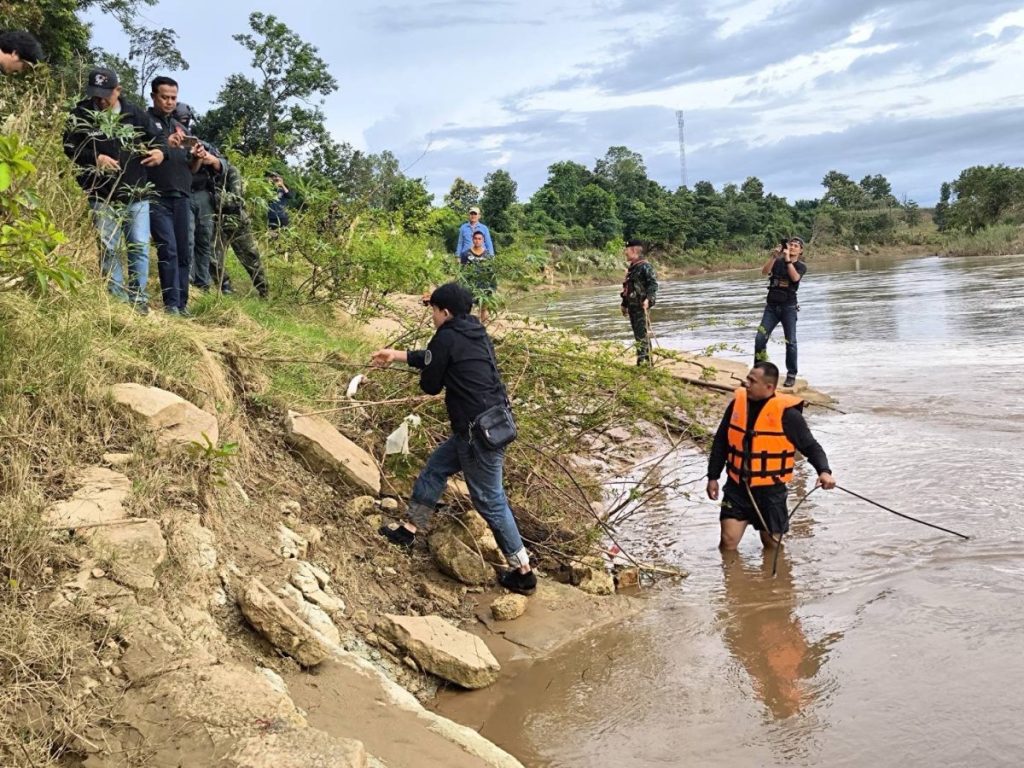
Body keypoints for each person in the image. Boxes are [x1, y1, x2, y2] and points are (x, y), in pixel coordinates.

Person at [371, 282, 536, 596]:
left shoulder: (446, 335)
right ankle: (409, 530)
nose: (432, 316)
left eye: (432, 310)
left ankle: (523, 571)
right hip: (489, 424)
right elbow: (437, 357)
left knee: (490, 501)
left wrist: (435, 373)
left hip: (476, 436)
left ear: (443, 311)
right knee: (435, 469)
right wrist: (396, 355)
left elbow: (431, 385)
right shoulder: (475, 330)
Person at [64, 67, 165, 314]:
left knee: (138, 247)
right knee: (109, 247)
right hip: (100, 193)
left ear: (118, 90)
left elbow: (159, 140)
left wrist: (161, 153)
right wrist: (95, 158)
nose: (100, 101)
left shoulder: (135, 114)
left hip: (136, 194)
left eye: (105, 96)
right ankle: (116, 300)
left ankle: (139, 301)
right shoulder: (81, 113)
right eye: (96, 96)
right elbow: (69, 147)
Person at [706, 362, 835, 550]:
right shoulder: (736, 405)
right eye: (747, 378)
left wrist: (824, 471)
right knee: (728, 542)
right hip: (737, 488)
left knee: (773, 545)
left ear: (769, 387)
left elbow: (811, 446)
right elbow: (721, 442)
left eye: (752, 380)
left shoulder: (788, 415)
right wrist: (713, 477)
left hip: (771, 492)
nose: (746, 383)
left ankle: (775, 578)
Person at [146, 76, 193, 315]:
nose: (169, 102)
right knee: (168, 248)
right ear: (153, 96)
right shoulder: (143, 121)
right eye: (164, 97)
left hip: (182, 194)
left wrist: (198, 156)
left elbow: (191, 167)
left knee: (184, 250)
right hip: (156, 194)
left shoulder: (181, 127)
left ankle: (182, 303)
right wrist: (166, 144)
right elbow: (140, 151)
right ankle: (171, 303)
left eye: (174, 98)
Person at [174, 102, 220, 292]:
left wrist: (209, 158)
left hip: (203, 195)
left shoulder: (201, 143)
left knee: (204, 239)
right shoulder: (168, 143)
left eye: (185, 119)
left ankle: (203, 281)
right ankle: (189, 280)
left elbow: (221, 163)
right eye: (180, 119)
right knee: (188, 239)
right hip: (183, 194)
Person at [211, 159, 269, 297]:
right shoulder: (205, 173)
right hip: (216, 221)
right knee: (213, 255)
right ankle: (225, 286)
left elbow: (237, 199)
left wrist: (213, 198)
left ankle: (264, 290)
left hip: (237, 221)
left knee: (251, 257)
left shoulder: (231, 171)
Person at [754, 236, 807, 388]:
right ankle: (759, 372)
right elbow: (764, 272)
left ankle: (791, 374)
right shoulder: (777, 262)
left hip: (788, 307)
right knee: (760, 338)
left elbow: (795, 278)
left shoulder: (801, 266)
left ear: (801, 251)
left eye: (796, 246)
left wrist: (788, 259)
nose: (793, 247)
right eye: (791, 244)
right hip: (771, 307)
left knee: (790, 342)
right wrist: (774, 257)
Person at [619, 238, 658, 365]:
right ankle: (642, 360)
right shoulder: (633, 268)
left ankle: (646, 362)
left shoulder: (645, 266)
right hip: (632, 307)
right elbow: (627, 288)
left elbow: (653, 285)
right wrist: (624, 305)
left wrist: (648, 299)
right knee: (638, 334)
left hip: (641, 305)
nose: (625, 252)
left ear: (634, 250)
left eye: (627, 250)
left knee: (642, 333)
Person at [459, 229, 496, 323]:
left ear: (483, 240)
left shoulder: (488, 255)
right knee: (467, 306)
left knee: (484, 307)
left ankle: (484, 327)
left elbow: (491, 272)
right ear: (472, 239)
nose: (477, 241)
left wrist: (493, 286)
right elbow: (462, 271)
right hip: (470, 284)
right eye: (475, 238)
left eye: (479, 239)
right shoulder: (465, 254)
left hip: (484, 284)